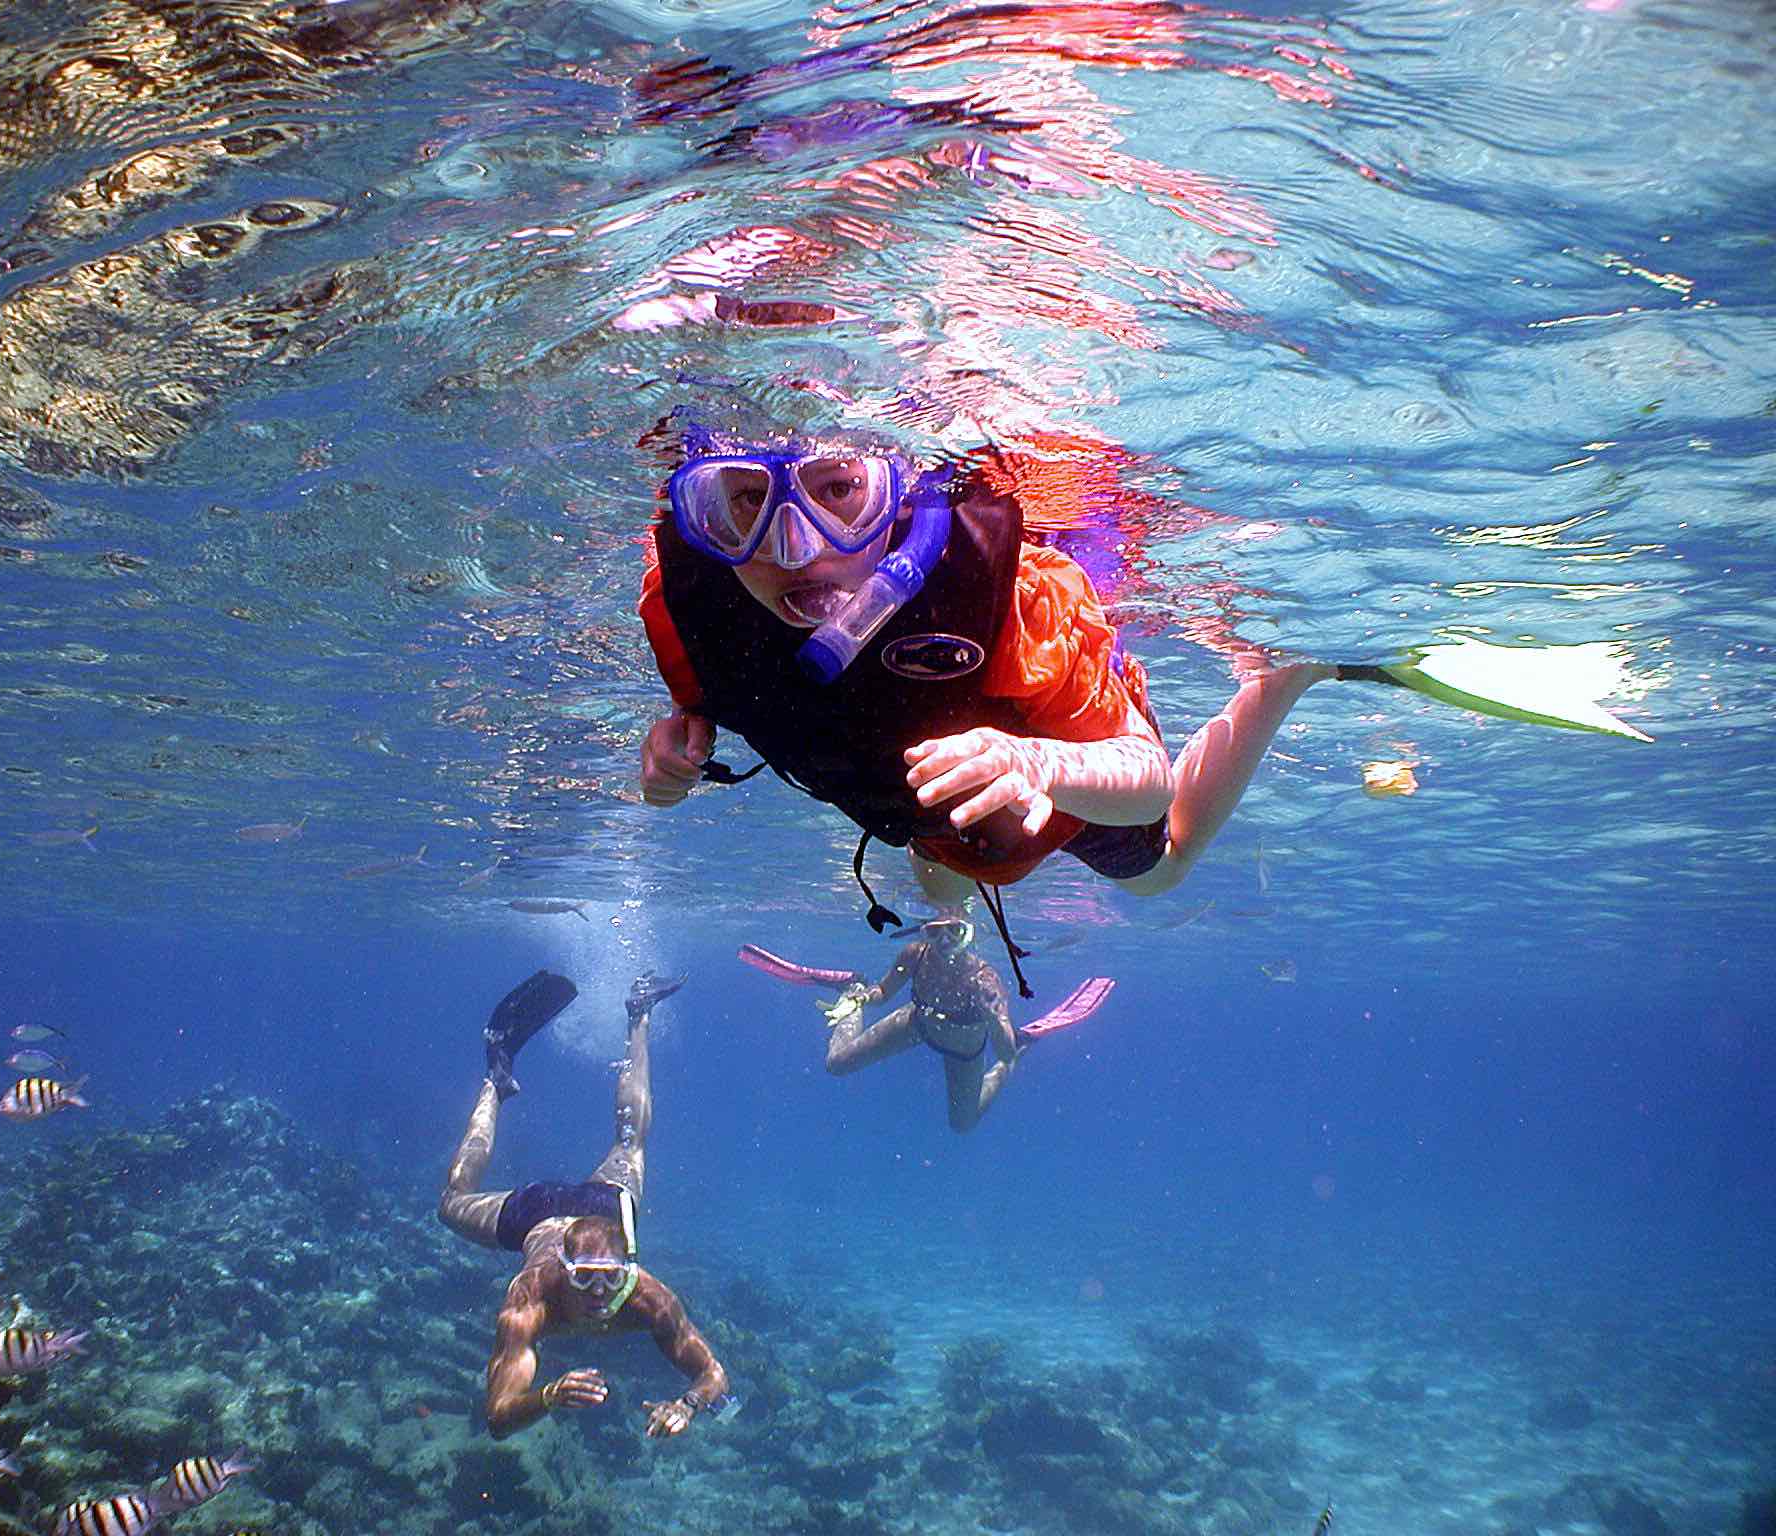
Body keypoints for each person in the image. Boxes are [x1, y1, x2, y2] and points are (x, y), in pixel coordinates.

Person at [635, 426, 1333, 986]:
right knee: (944, 888)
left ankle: (1275, 683)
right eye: (748, 501)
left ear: (897, 492)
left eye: (841, 489)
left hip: (1053, 780)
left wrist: (1033, 761)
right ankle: (955, 903)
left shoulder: (1019, 596)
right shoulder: (688, 601)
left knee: (1160, 874)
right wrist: (682, 734)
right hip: (932, 811)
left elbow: (1148, 783)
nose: (796, 548)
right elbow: (709, 689)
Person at [437, 969, 733, 1440]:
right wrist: (548, 1395)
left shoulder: (651, 1299)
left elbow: (714, 1375)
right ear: (563, 1266)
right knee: (452, 1202)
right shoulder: (529, 1299)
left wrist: (688, 1405)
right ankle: (496, 1080)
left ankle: (640, 1015)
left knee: (632, 1139)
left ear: (629, 1267)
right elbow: (497, 1416)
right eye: (585, 1278)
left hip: (604, 1205)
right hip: (537, 1212)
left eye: (610, 1277)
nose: (598, 1294)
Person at [743, 856, 1116, 1131]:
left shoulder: (984, 980)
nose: (943, 941)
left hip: (964, 1047)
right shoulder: (914, 955)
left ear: (969, 932)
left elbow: (999, 1050)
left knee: (963, 1124)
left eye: (954, 932)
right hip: (915, 1022)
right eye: (935, 932)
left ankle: (1026, 1044)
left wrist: (996, 1024)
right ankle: (848, 982)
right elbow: (884, 994)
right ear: (924, 932)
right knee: (836, 1064)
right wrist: (858, 999)